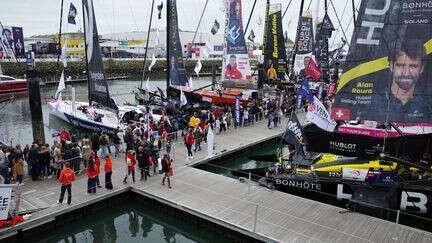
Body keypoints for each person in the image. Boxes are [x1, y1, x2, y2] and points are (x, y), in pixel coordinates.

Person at [374, 38, 432, 121]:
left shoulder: (429, 102)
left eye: (413, 66)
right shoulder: (372, 101)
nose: (406, 73)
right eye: (400, 65)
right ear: (391, 66)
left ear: (422, 68)